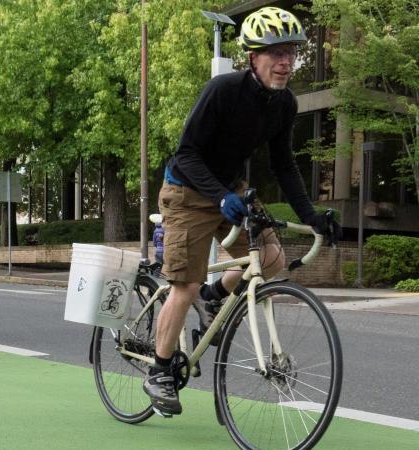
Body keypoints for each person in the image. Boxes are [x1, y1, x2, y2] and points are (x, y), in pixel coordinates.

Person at [144, 6, 341, 416]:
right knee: (185, 285)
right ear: (252, 56)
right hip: (186, 188)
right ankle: (160, 370)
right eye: (276, 53)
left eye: (291, 53)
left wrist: (311, 216)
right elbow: (187, 154)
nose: (285, 62)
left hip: (227, 190)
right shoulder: (222, 91)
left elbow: (284, 165)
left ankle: (216, 298)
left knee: (271, 258)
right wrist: (220, 197)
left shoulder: (284, 104)